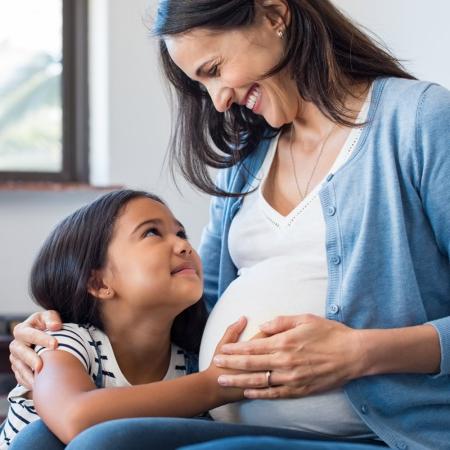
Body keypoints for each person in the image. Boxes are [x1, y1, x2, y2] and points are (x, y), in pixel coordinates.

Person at [8, 0, 450, 449]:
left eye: (215, 68)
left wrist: (359, 353)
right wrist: (56, 336)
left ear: (275, 16)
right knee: (36, 440)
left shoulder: (418, 122)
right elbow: (203, 308)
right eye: (203, 85)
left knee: (102, 444)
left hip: (378, 433)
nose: (219, 101)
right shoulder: (245, 162)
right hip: (231, 420)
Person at [0, 189, 250, 448]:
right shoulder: (64, 343)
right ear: (99, 282)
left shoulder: (191, 361)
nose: (184, 245)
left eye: (180, 233)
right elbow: (74, 417)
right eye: (152, 232)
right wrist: (213, 386)